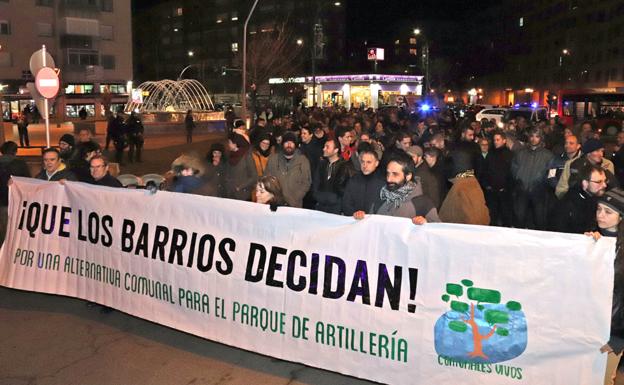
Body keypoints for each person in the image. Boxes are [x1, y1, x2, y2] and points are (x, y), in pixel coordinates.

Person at [584, 188, 624, 385]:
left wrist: (618, 337)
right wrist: (587, 249)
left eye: (608, 212)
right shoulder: (594, 240)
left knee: (605, 378)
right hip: (590, 326)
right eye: (599, 209)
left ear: (621, 217)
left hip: (612, 332)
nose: (601, 215)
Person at [354, 157, 440, 223]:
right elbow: (370, 224)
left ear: (408, 177)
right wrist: (361, 218)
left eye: (395, 174)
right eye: (388, 174)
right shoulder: (381, 196)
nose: (389, 179)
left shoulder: (424, 203)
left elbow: (437, 231)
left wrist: (426, 224)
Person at [511, 127, 553, 229]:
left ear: (541, 138)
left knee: (540, 220)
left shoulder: (548, 155)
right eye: (532, 136)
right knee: (519, 219)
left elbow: (551, 173)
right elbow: (514, 168)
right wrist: (519, 180)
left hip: (539, 191)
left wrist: (542, 184)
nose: (534, 139)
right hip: (522, 190)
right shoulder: (520, 153)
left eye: (537, 136)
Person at [551, 164, 607, 233]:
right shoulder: (567, 204)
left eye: (605, 181)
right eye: (599, 182)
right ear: (585, 183)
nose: (604, 185)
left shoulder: (601, 197)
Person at [265, 132, 312, 208]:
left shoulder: (303, 160)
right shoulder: (273, 159)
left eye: (292, 142)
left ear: (295, 145)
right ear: (282, 144)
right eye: (286, 142)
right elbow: (266, 179)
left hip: (295, 204)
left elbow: (306, 182)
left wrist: (295, 198)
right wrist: (273, 197)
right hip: (275, 204)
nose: (289, 145)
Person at [0, 141, 31, 245]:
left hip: (1, 203)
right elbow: (28, 182)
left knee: (3, 232)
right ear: (15, 151)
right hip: (17, 203)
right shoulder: (20, 164)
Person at [312, 137, 354, 214]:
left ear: (336, 150)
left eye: (327, 147)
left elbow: (348, 188)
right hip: (320, 206)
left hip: (337, 208)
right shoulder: (321, 164)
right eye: (324, 146)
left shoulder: (345, 166)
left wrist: (339, 200)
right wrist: (317, 196)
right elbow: (315, 182)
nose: (324, 149)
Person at [482, 131, 514, 227]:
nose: (495, 142)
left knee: (505, 215)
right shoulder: (491, 154)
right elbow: (485, 170)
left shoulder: (509, 155)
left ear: (504, 141)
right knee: (493, 215)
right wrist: (487, 185)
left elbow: (511, 173)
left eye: (498, 140)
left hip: (504, 191)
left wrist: (506, 187)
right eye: (494, 140)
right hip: (491, 190)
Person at [342, 147, 385, 216]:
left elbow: (384, 206)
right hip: (354, 220)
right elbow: (346, 203)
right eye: (362, 162)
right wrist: (354, 214)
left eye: (369, 162)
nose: (365, 165)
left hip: (373, 222)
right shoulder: (353, 179)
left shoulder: (383, 182)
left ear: (376, 163)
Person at [225, 132, 256, 201]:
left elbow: (254, 177)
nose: (228, 144)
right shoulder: (230, 155)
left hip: (243, 195)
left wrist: (239, 187)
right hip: (230, 193)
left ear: (235, 144)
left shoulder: (247, 156)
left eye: (229, 142)